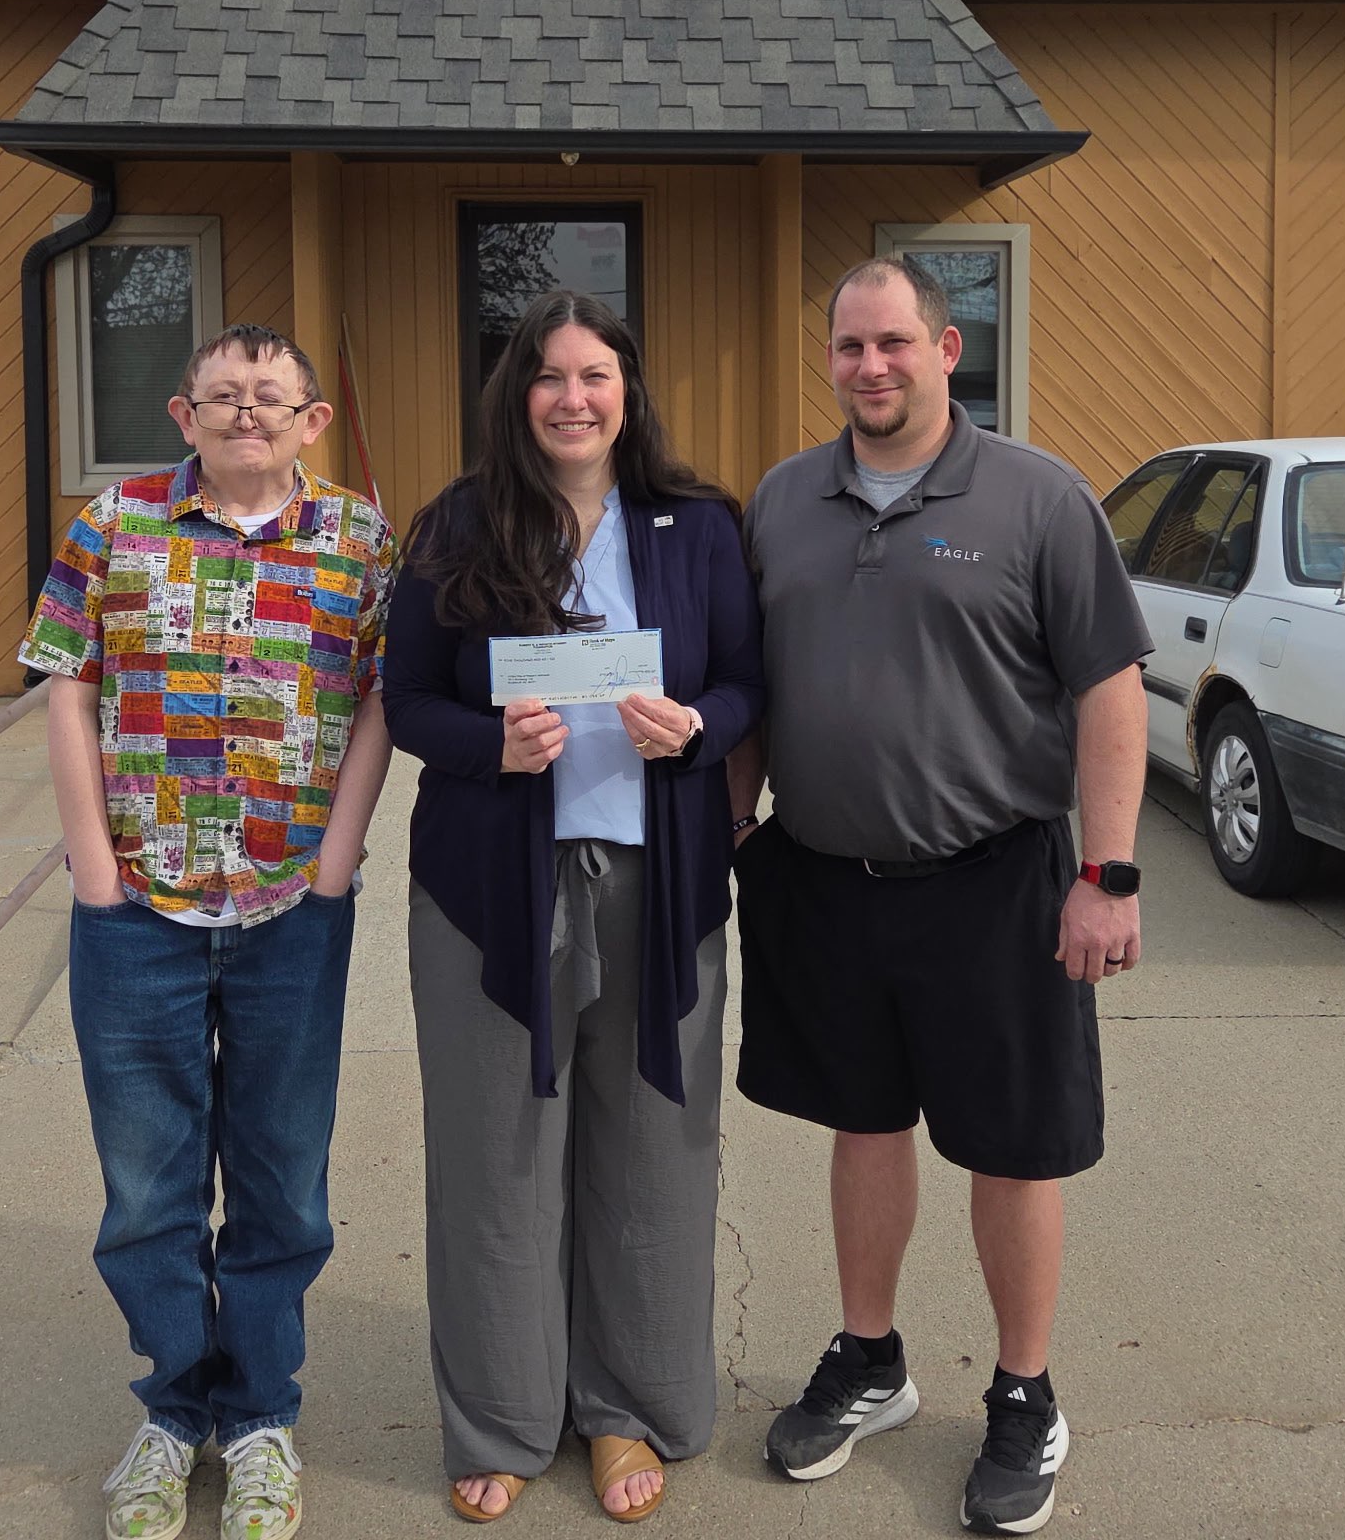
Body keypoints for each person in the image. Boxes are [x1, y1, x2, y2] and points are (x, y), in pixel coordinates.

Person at [731, 255, 1151, 1537]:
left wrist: (1107, 873)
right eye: (851, 346)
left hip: (996, 881)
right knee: (864, 1122)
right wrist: (720, 831)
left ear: (946, 346)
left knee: (1012, 1144)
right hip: (829, 878)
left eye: (895, 343)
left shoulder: (1035, 496)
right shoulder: (784, 499)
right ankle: (873, 1359)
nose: (872, 366)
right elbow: (755, 687)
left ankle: (1024, 1389)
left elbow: (1109, 689)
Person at [383, 289, 764, 1527]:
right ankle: (500, 1413)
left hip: (659, 882)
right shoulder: (458, 521)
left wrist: (698, 726)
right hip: (492, 890)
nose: (572, 396)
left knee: (653, 1151)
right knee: (497, 1156)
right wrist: (494, 745)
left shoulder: (698, 524)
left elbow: (746, 679)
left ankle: (624, 1407)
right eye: (548, 375)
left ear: (627, 388)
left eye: (595, 373)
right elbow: (408, 700)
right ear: (517, 394)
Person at [21, 323, 394, 1540]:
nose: (246, 414)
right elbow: (66, 677)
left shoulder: (358, 541)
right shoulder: (114, 524)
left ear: (312, 420)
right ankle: (177, 1407)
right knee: (147, 1185)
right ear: (184, 415)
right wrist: (89, 864)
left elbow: (383, 695)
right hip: (139, 905)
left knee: (284, 1177)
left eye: (269, 397)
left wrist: (336, 863)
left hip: (292, 905)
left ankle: (263, 1417)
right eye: (222, 396)